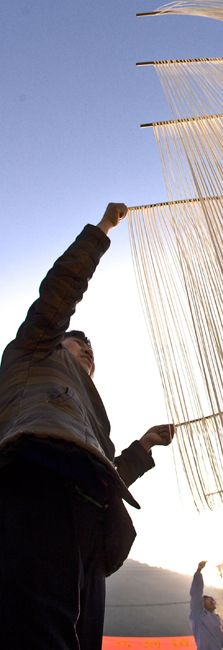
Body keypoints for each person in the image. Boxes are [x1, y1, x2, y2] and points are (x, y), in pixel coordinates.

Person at [0, 203, 175, 650]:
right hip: (37, 484)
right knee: (39, 632)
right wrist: (102, 230)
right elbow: (61, 289)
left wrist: (140, 449)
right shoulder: (34, 348)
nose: (89, 350)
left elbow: (99, 470)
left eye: (93, 351)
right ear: (58, 339)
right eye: (80, 342)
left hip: (92, 521)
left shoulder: (90, 410)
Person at [189, 561, 223, 650]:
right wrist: (198, 571)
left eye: (212, 600)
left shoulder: (220, 620)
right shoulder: (199, 614)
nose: (212, 601)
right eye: (207, 599)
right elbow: (196, 593)